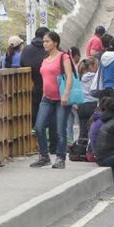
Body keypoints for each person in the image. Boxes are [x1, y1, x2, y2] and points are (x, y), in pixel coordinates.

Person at [31, 30, 74, 169]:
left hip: (61, 98)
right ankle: (44, 156)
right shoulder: (45, 59)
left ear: (55, 43)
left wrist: (66, 94)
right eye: (44, 41)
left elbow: (69, 76)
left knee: (60, 130)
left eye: (47, 41)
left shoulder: (63, 57)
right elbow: (45, 79)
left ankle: (61, 157)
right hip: (47, 98)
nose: (44, 44)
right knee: (39, 127)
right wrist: (44, 94)